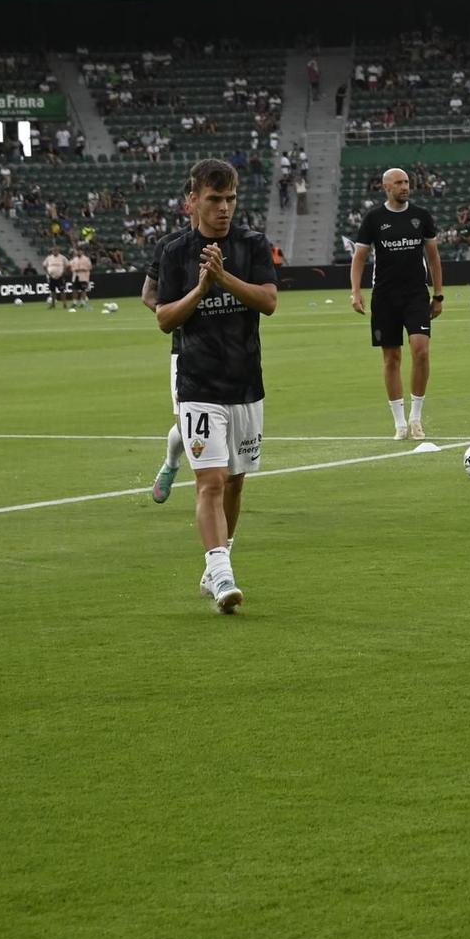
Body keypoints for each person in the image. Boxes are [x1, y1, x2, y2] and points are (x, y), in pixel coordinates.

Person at [154, 159, 279, 614]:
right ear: (193, 201)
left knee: (235, 482)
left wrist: (224, 279)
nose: (224, 208)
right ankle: (222, 572)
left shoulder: (252, 244)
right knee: (209, 480)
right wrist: (201, 289)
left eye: (230, 199)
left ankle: (217, 566)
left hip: (246, 382)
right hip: (198, 382)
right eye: (214, 199)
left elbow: (268, 301)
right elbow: (164, 316)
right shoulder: (174, 253)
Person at [350, 168, 444, 439]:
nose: (405, 187)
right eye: (399, 183)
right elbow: (359, 258)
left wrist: (438, 294)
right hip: (384, 297)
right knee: (391, 358)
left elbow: (434, 257)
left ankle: (416, 417)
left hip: (416, 294)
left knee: (421, 350)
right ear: (386, 187)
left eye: (406, 182)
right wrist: (355, 292)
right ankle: (399, 423)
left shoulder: (421, 216)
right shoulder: (374, 219)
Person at [142, 194, 193, 504]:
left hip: (229, 350)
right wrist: (175, 319)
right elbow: (149, 294)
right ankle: (172, 463)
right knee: (186, 425)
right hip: (185, 349)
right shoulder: (170, 245)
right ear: (191, 203)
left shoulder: (235, 243)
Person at [69, 243, 93, 310]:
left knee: (83, 290)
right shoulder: (74, 259)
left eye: (80, 251)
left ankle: (83, 302)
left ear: (82, 252)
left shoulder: (86, 259)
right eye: (77, 251)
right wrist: (74, 269)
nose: (79, 252)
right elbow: (71, 267)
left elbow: (89, 267)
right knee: (74, 289)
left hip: (83, 276)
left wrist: (83, 268)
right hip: (75, 275)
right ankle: (75, 302)